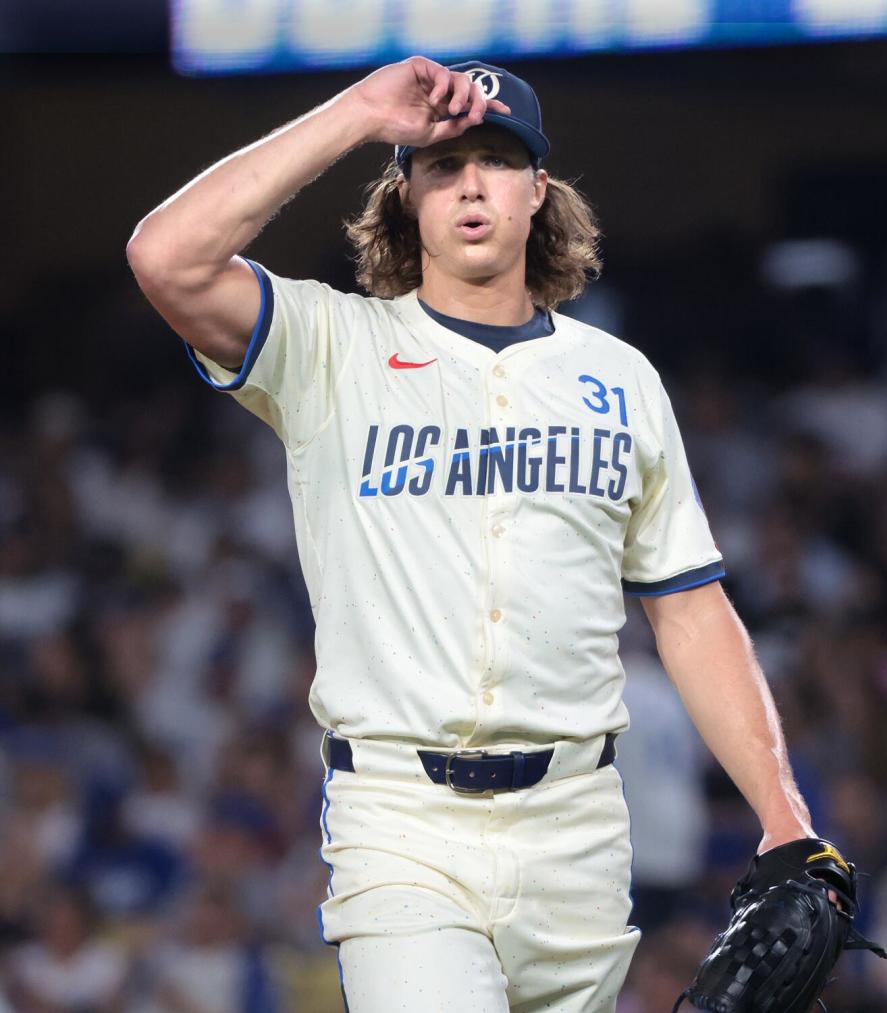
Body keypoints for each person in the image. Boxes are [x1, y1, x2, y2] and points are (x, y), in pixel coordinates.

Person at [127, 56, 818, 1013]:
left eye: (495, 161)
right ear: (404, 194)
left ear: (539, 190)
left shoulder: (620, 380)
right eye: (442, 166)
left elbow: (690, 610)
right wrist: (362, 111)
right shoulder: (332, 349)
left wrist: (784, 815)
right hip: (403, 822)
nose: (470, 185)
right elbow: (167, 258)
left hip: (580, 829)